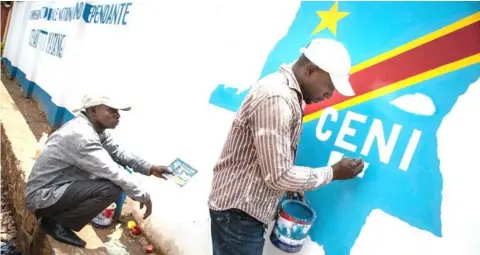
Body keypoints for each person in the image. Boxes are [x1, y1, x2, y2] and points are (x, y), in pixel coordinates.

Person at [208, 38, 365, 255]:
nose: (329, 95)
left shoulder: (287, 94)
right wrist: (333, 172)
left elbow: (269, 156)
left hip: (241, 211)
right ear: (311, 70)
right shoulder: (277, 98)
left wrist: (293, 184)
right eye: (330, 87)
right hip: (239, 214)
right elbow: (278, 175)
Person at [25, 93, 172, 248]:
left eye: (118, 112)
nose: (118, 116)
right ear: (94, 111)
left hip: (57, 186)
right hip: (42, 197)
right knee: (110, 189)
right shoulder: (82, 136)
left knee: (106, 179)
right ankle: (56, 223)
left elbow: (118, 153)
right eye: (112, 110)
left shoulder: (95, 130)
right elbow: (113, 172)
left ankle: (58, 217)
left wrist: (150, 168)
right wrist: (142, 195)